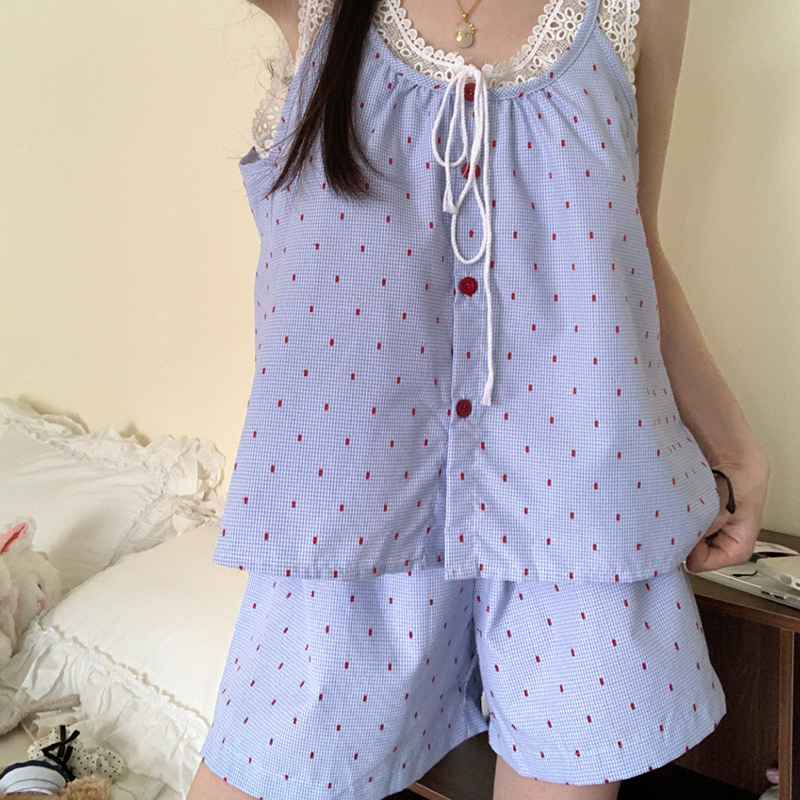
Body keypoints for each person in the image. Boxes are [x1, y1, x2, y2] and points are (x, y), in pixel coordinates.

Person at [187, 0, 771, 798]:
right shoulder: (316, 11)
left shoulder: (640, 7)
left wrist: (733, 447)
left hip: (575, 516)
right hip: (348, 517)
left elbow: (631, 250)